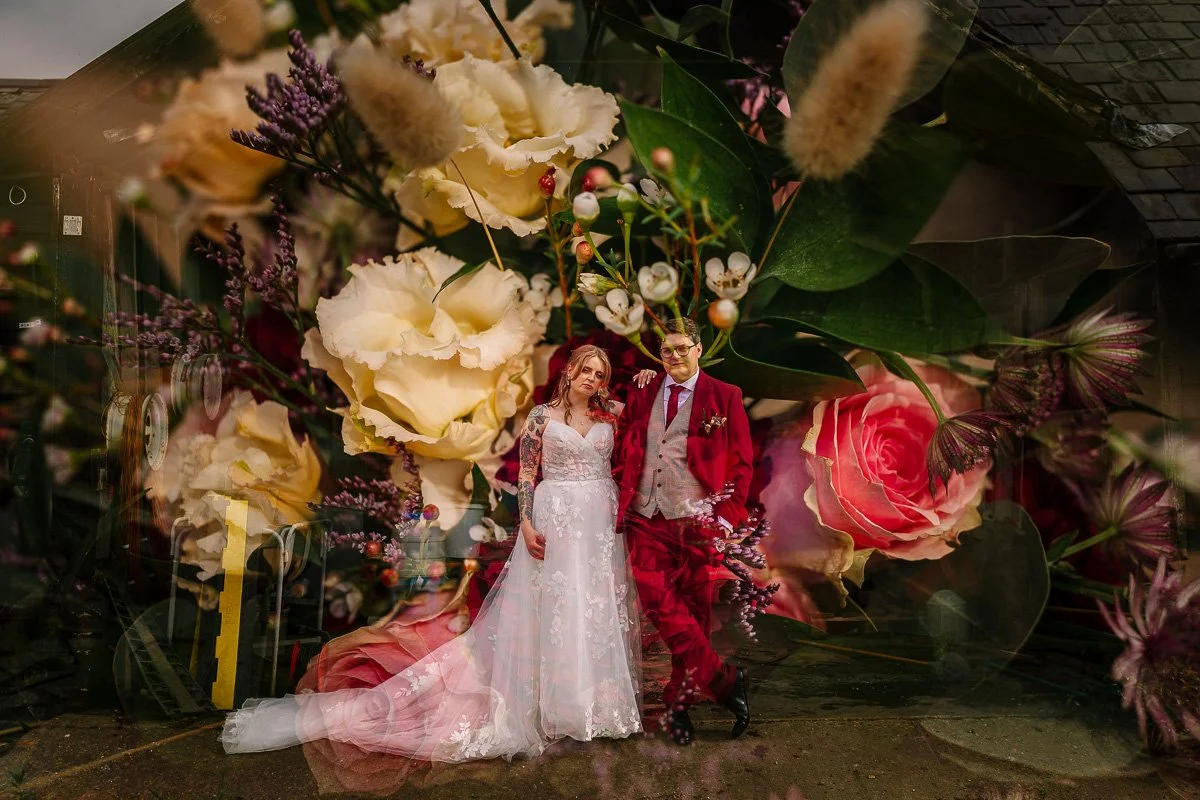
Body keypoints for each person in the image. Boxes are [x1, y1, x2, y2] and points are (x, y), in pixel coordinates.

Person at [221, 344, 644, 764]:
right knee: (553, 609)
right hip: (556, 517)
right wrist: (528, 524)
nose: (592, 379)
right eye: (586, 371)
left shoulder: (611, 413)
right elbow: (528, 475)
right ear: (569, 371)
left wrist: (650, 376)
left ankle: (592, 708)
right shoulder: (541, 417)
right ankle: (553, 708)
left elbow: (655, 409)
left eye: (600, 375)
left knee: (593, 608)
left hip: (597, 521)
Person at [614, 317, 754, 746]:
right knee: (659, 604)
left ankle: (678, 704)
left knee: (694, 612)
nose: (673, 356)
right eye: (666, 350)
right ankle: (724, 680)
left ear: (698, 349)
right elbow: (620, 433)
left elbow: (742, 463)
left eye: (681, 348)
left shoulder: (725, 395)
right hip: (645, 515)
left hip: (695, 520)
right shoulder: (644, 389)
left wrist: (725, 519)